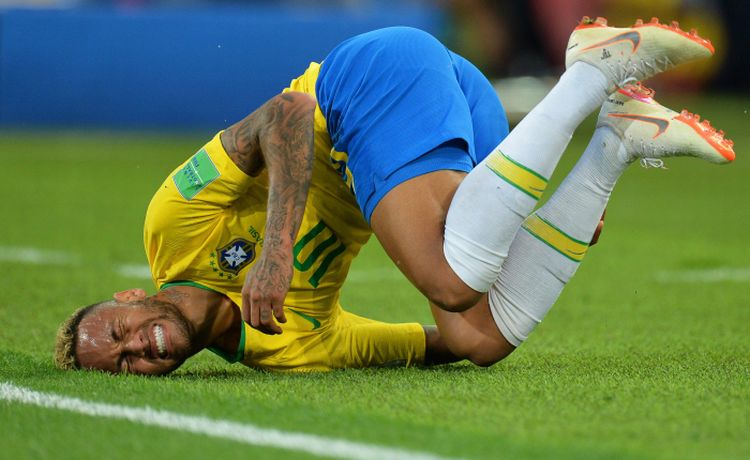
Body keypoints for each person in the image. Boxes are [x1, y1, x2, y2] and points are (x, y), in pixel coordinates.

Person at [55, 18, 734, 375]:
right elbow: (434, 343)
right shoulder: (284, 351)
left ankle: (589, 75)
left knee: (448, 277)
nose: (134, 350)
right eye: (122, 367)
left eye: (114, 335)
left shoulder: (172, 224)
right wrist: (540, 242)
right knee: (477, 338)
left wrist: (274, 251)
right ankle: (617, 144)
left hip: (366, 83)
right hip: (451, 115)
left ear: (128, 299)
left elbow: (288, 113)